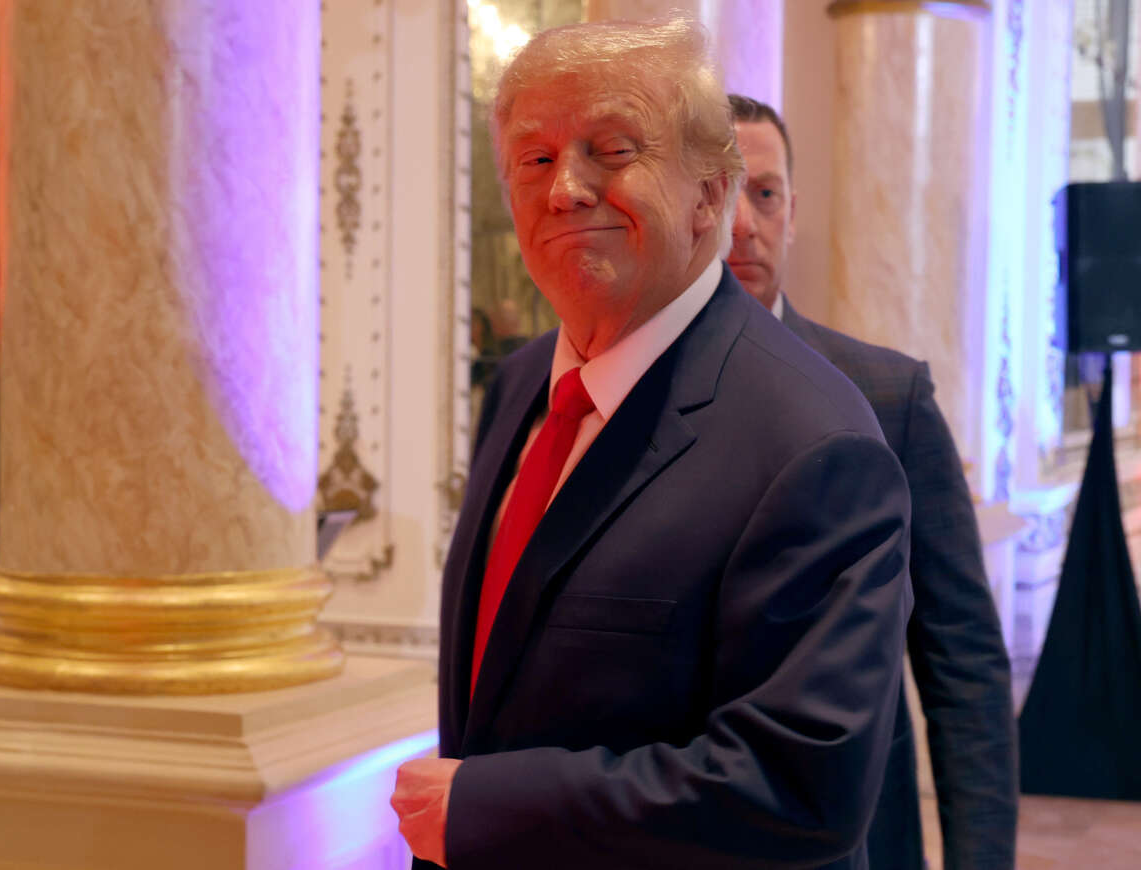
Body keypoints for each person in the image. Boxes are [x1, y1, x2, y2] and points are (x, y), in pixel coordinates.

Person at [390, 19, 913, 869]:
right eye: (535, 158)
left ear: (711, 193)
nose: (565, 189)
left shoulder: (814, 441)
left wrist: (485, 808)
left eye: (611, 148)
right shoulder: (521, 387)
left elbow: (801, 786)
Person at [727, 94, 1018, 870]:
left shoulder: (888, 399)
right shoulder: (623, 401)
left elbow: (965, 670)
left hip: (860, 844)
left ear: (792, 211)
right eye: (721, 191)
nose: (742, 225)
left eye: (765, 193)